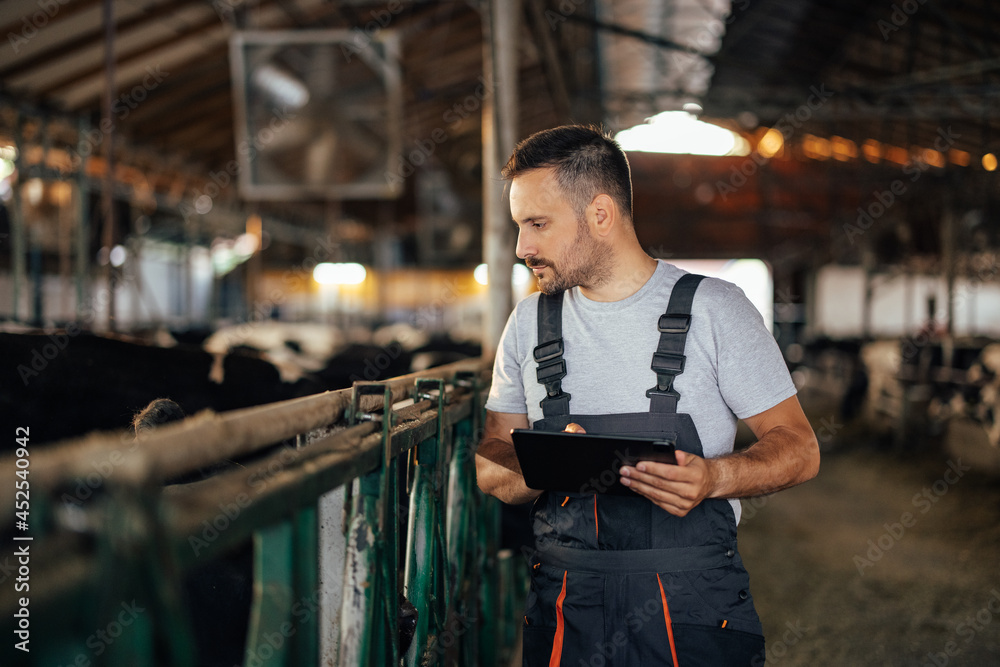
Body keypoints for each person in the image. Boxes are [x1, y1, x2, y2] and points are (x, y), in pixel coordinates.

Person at [475, 125, 820, 666]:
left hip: (690, 607)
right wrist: (545, 463)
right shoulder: (528, 324)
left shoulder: (715, 310)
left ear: (601, 214)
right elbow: (490, 461)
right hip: (567, 605)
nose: (523, 248)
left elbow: (799, 447)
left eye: (537, 224)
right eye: (520, 227)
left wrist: (714, 477)